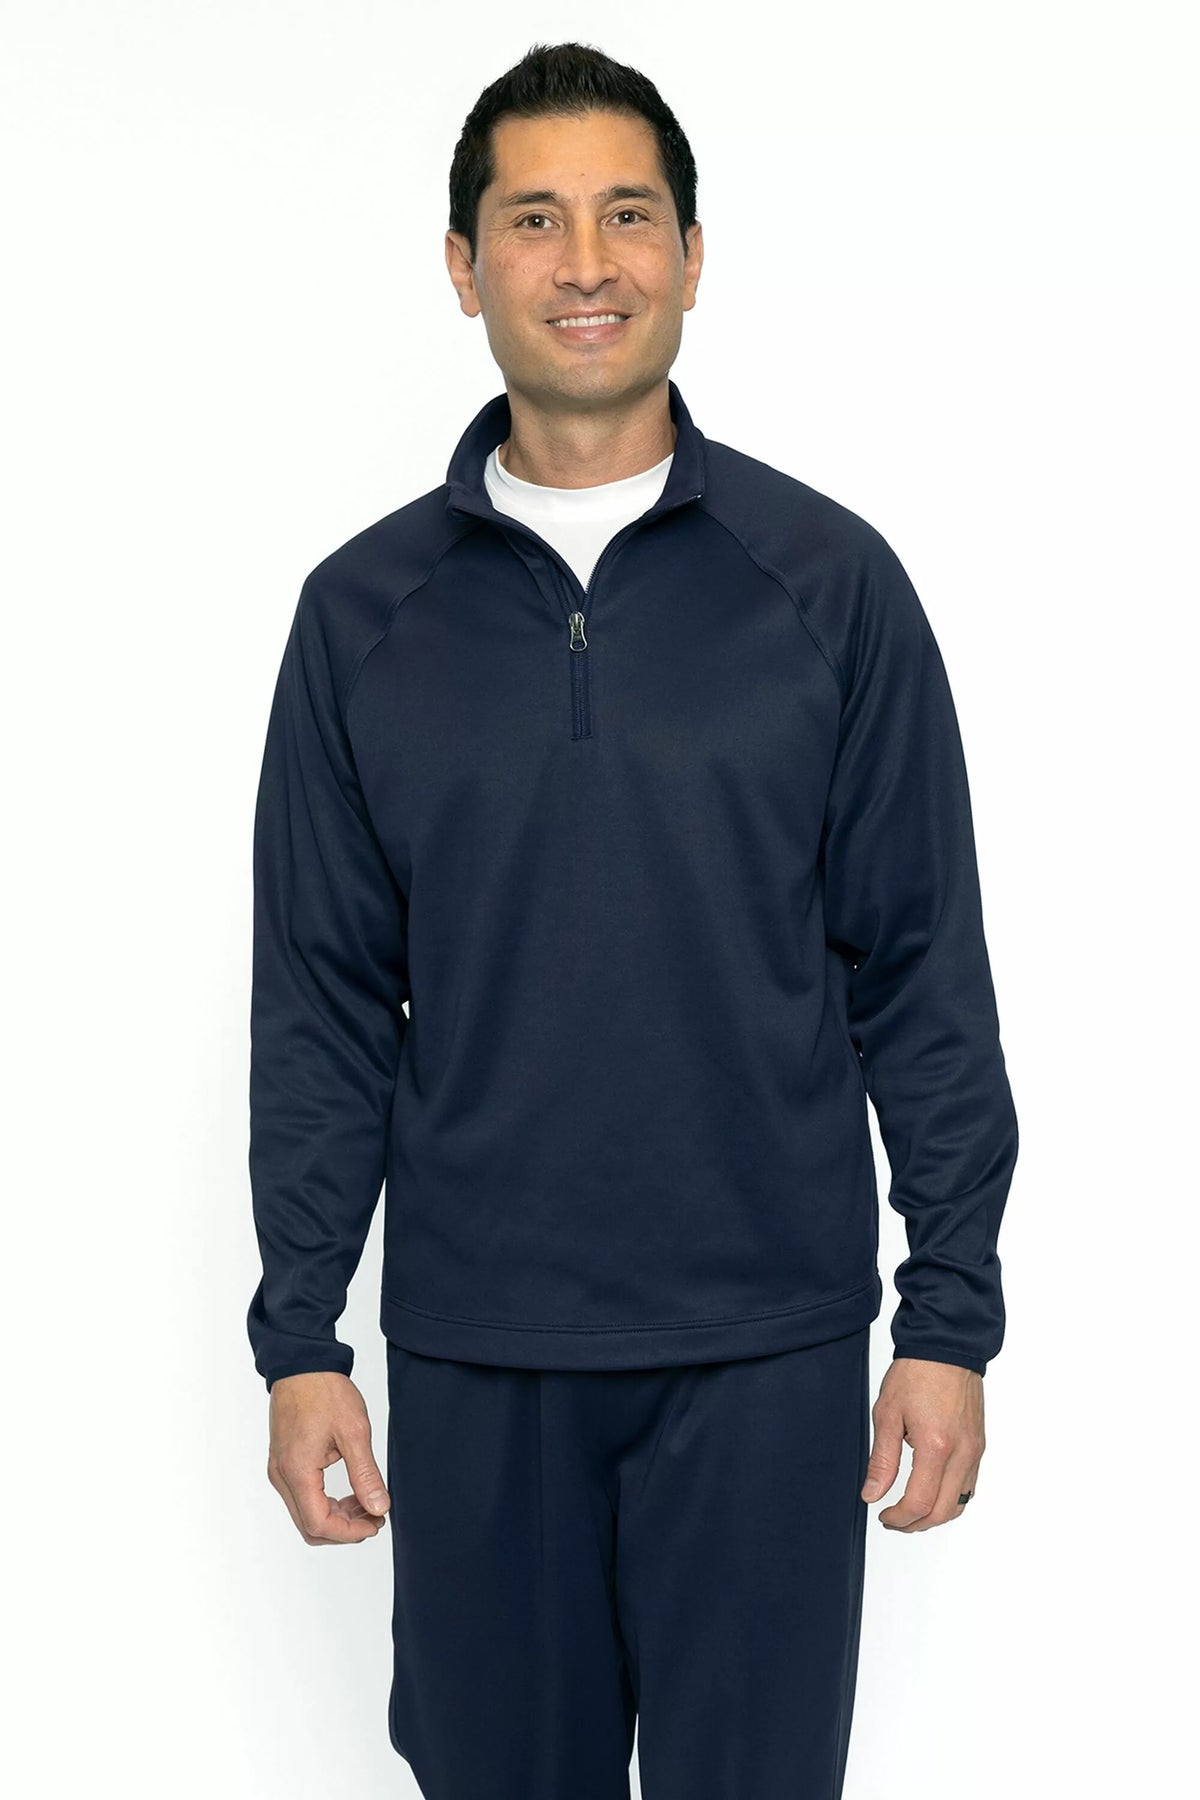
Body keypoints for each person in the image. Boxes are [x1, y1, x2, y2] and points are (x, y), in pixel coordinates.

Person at [245, 39, 1019, 1800]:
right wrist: (301, 1338)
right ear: (465, 267)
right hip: (480, 1349)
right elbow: (322, 1006)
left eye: (628, 215)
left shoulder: (830, 586)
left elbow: (921, 974)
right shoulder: (362, 616)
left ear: (691, 253)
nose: (585, 262)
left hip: (768, 1345)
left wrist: (948, 1319)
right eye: (535, 220)